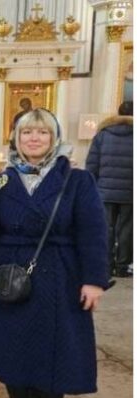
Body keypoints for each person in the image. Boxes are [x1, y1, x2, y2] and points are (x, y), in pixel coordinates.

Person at [0, 108, 109, 398]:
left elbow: (93, 232)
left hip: (58, 277)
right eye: (26, 134)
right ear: (16, 140)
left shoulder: (76, 181)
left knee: (51, 358)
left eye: (41, 133)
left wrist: (94, 280)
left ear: (54, 138)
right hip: (9, 278)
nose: (33, 140)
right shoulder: (2, 181)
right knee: (12, 356)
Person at [85, 101, 133, 277]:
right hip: (130, 192)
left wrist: (90, 188)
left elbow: (92, 164)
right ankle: (122, 266)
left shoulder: (103, 135)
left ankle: (106, 265)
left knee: (105, 228)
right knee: (127, 229)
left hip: (104, 191)